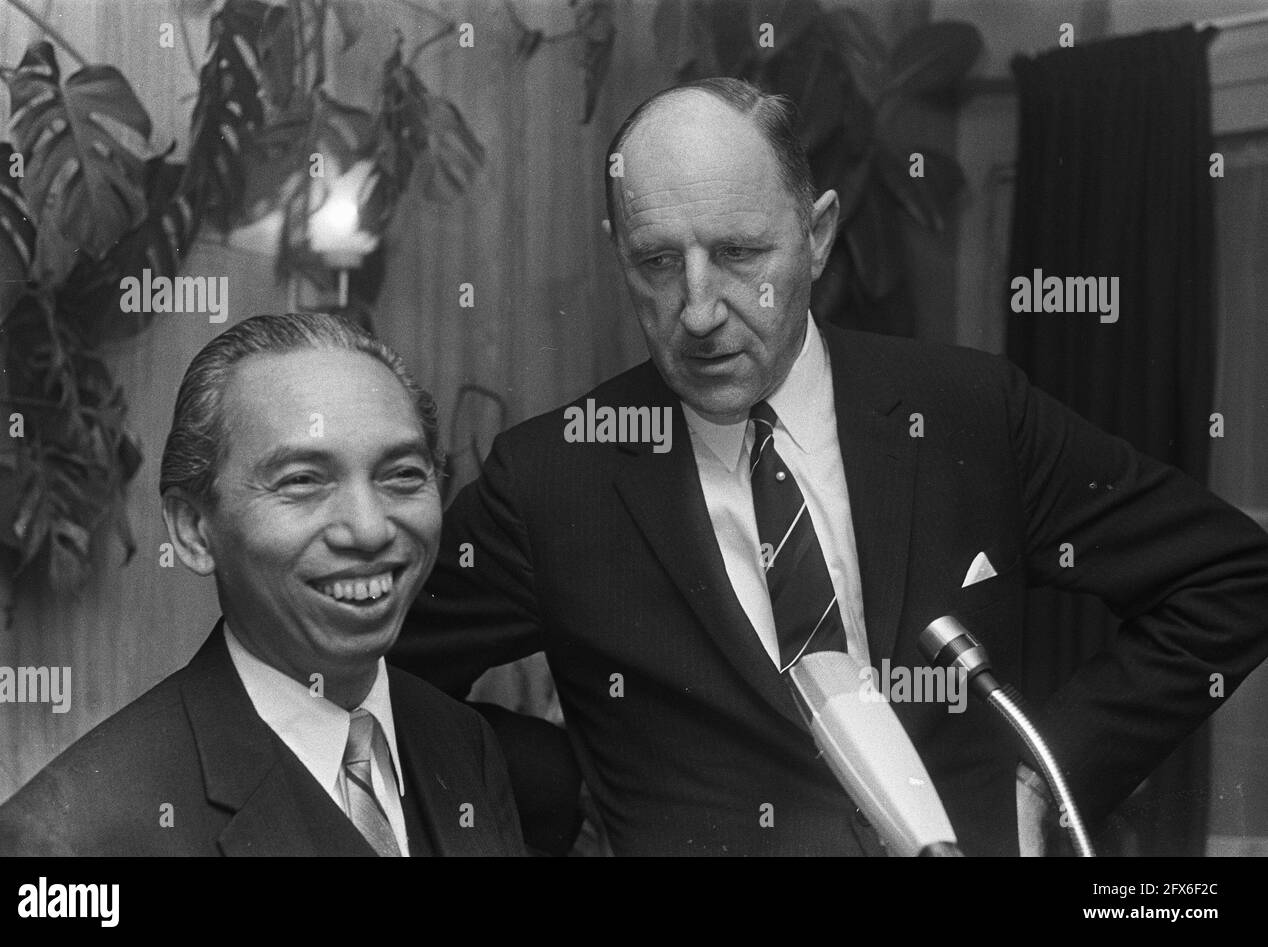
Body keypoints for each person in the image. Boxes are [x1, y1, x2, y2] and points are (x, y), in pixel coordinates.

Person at [391, 78, 1268, 856]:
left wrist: (1049, 772)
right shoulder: (550, 480)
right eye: (657, 262)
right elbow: (387, 682)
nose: (698, 310)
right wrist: (559, 790)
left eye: (739, 254)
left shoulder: (968, 411)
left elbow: (1229, 575)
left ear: (816, 235)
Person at [0, 313, 524, 857]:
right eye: (303, 481)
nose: (371, 528)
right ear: (193, 531)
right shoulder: (64, 842)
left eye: (403, 474)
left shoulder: (462, 742)